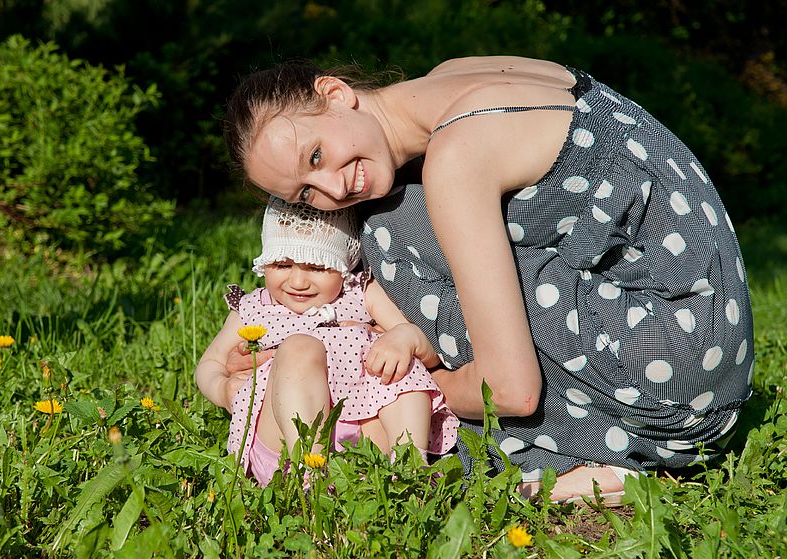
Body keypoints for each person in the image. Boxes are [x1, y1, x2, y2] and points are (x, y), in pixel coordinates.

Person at [220, 55, 754, 505]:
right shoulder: (453, 76)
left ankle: (579, 464)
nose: (332, 190)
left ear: (335, 93)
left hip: (675, 388)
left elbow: (511, 392)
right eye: (305, 197)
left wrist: (383, 386)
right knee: (402, 216)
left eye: (315, 156)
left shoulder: (456, 157)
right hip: (711, 340)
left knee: (389, 228)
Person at [195, 196, 458, 487]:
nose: (298, 282)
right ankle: (308, 475)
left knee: (397, 357)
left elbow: (429, 354)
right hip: (284, 437)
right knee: (300, 347)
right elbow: (210, 364)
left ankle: (408, 465)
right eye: (282, 264)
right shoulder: (255, 308)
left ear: (345, 265)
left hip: (367, 436)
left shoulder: (361, 293)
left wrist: (404, 337)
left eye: (318, 267)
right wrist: (222, 388)